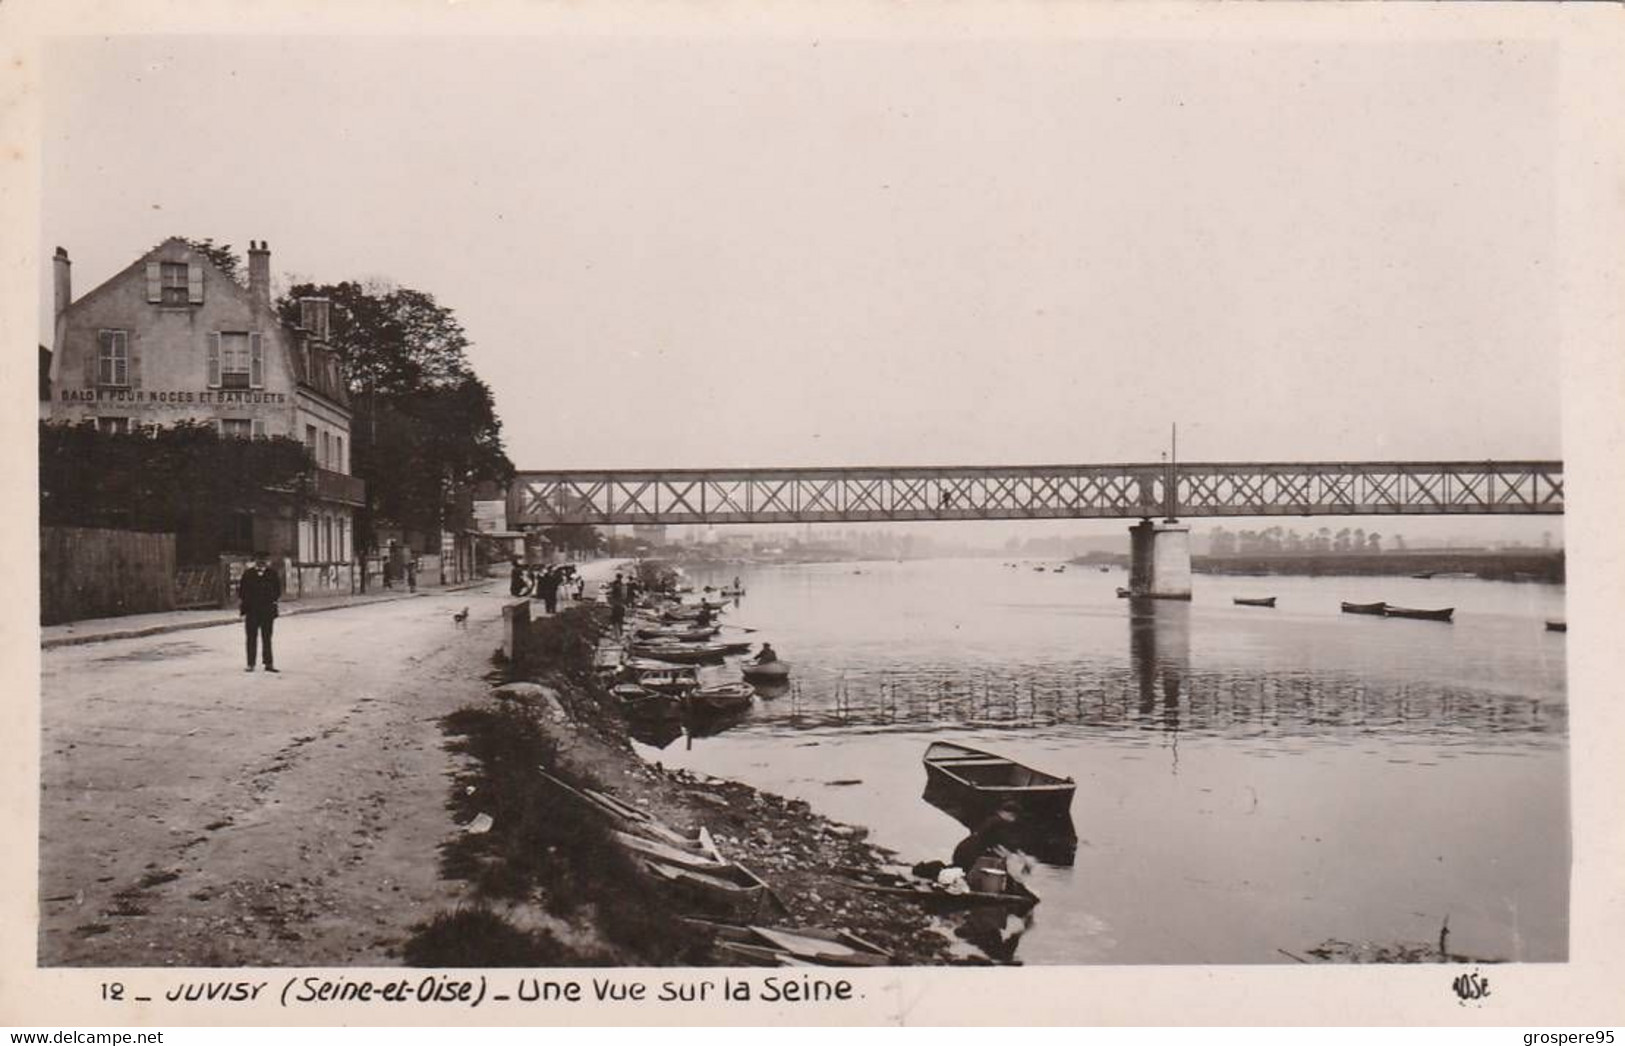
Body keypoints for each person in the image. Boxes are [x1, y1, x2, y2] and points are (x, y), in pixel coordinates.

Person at [239, 551, 283, 673]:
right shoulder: (248, 574)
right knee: (251, 637)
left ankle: (268, 663)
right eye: (259, 560)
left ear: (267, 562)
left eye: (263, 560)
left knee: (267, 637)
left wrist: (269, 600)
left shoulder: (272, 574)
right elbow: (242, 592)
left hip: (267, 611)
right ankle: (250, 663)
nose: (261, 562)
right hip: (252, 611)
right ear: (255, 561)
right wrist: (248, 603)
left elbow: (277, 591)